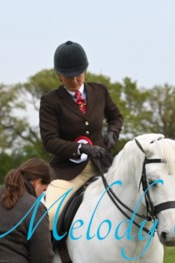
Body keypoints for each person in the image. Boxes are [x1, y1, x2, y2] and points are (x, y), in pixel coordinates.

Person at [39, 40, 124, 227]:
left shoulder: (100, 91)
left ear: (85, 70)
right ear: (59, 75)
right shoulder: (50, 101)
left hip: (103, 166)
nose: (75, 81)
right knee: (50, 213)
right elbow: (49, 141)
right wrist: (81, 148)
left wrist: (112, 133)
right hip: (68, 172)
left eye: (79, 75)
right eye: (68, 77)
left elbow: (116, 117)